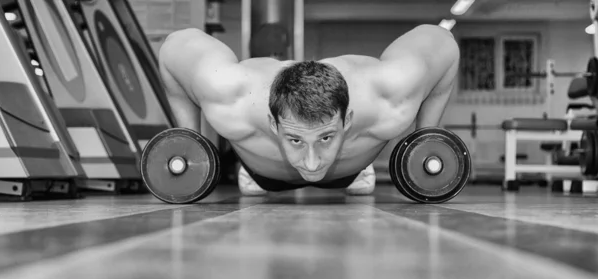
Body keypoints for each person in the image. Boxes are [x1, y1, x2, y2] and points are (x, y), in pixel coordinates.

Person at [158, 24, 460, 196]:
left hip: (350, 171)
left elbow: (444, 43)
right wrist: (189, 140)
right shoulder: (231, 95)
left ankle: (357, 169)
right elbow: (173, 47)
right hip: (261, 175)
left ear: (348, 120)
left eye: (326, 138)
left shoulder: (388, 95)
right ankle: (250, 172)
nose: (312, 163)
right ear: (272, 124)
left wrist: (425, 136)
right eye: (296, 140)